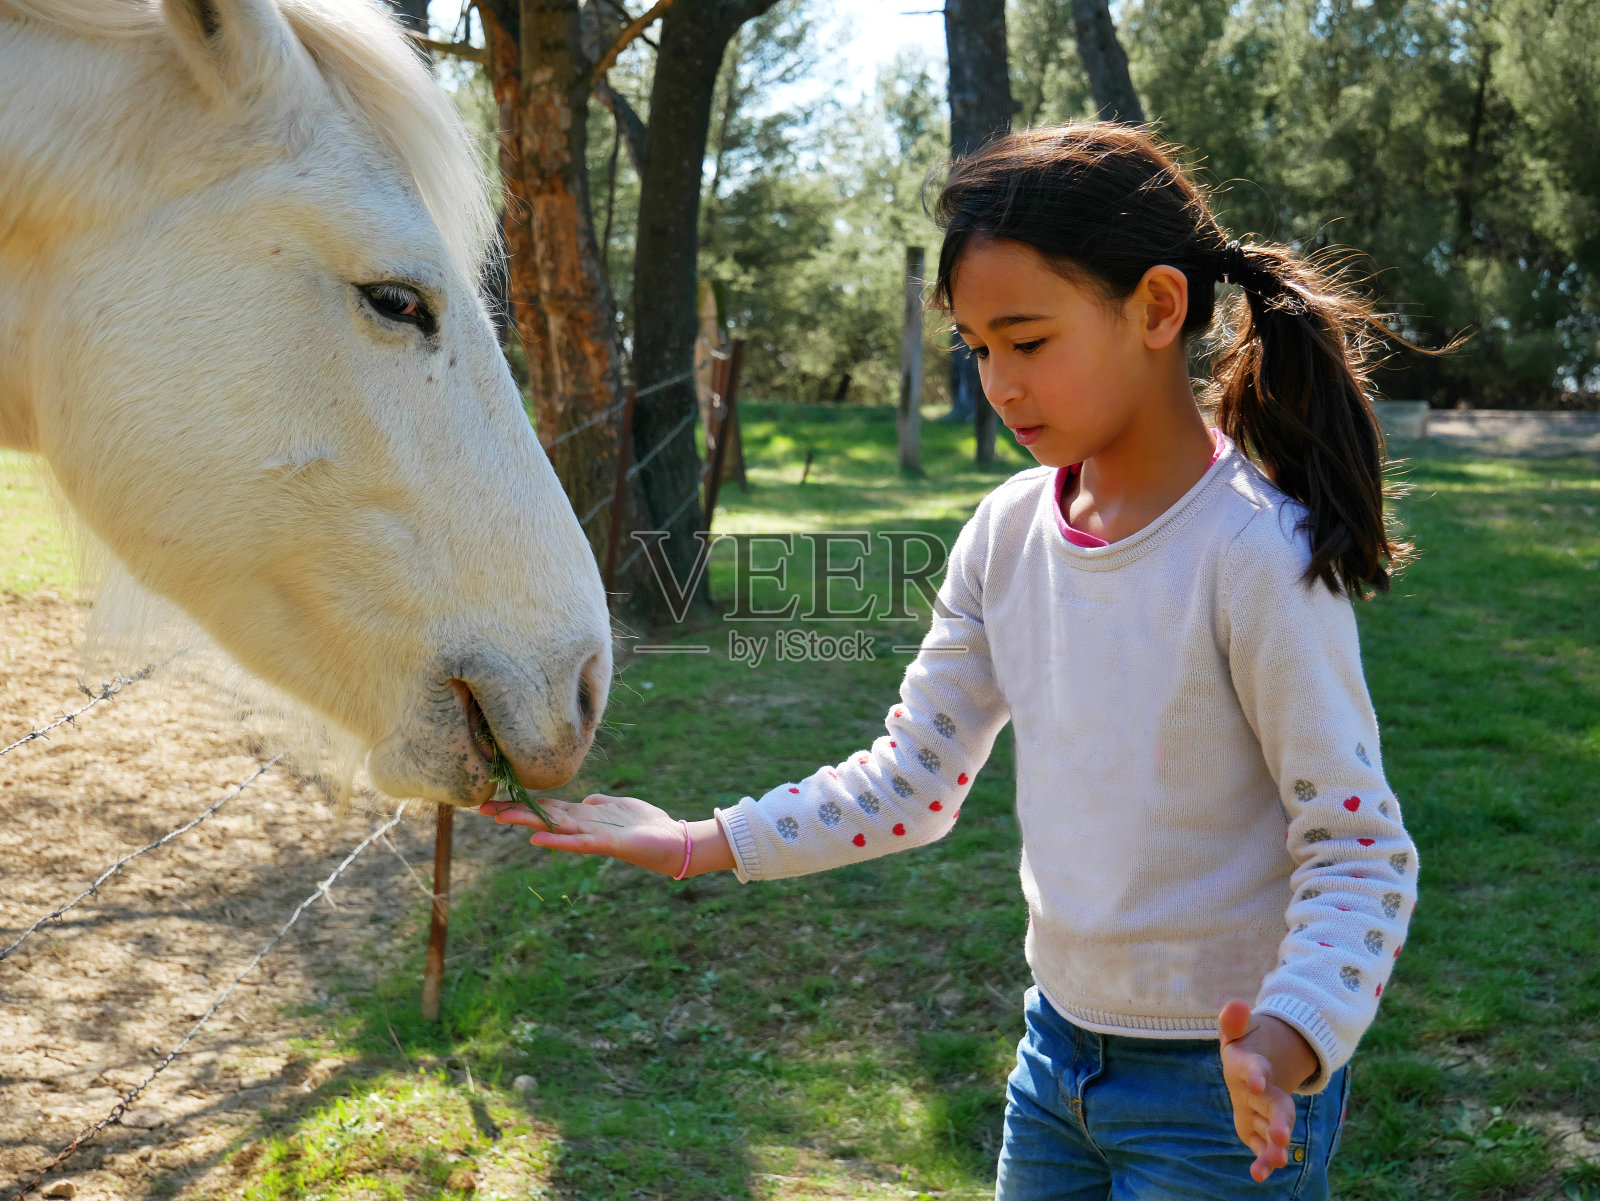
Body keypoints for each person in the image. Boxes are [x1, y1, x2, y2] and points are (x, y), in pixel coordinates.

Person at [483, 123, 1420, 1200]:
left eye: (1026, 340)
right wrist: (698, 842)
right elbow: (913, 782)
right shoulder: (1007, 529)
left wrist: (1287, 1042)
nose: (996, 384)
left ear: (1158, 308)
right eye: (977, 348)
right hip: (1054, 1061)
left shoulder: (1254, 555)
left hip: (1222, 1094)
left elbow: (1359, 851)